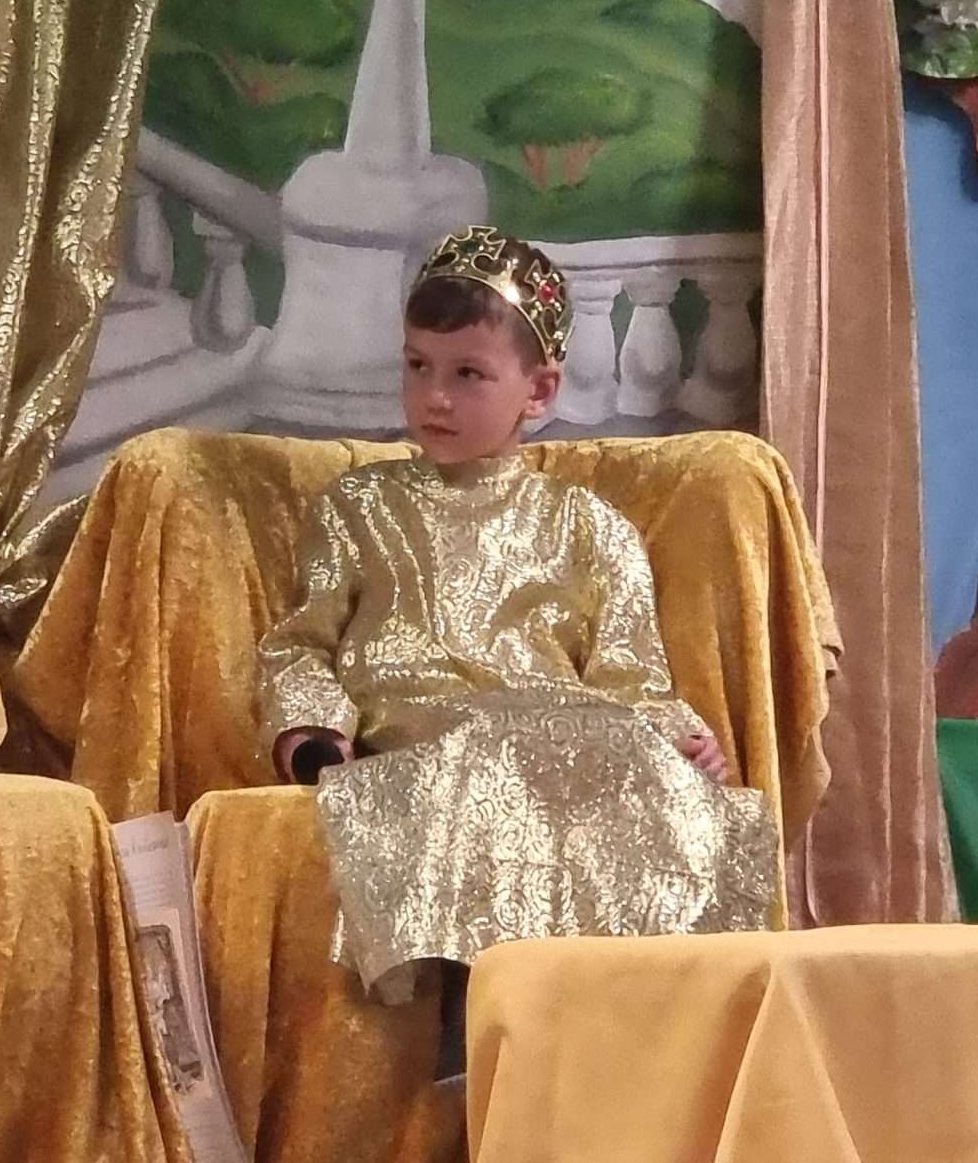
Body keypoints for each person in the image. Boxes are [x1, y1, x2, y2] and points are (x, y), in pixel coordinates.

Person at [257, 226, 778, 1081]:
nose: (434, 396)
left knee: (643, 774)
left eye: (467, 373)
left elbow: (630, 675)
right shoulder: (360, 508)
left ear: (538, 390)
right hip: (423, 727)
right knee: (495, 747)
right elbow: (301, 645)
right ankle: (478, 1027)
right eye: (417, 365)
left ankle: (663, 1056)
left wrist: (676, 738)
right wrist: (312, 732)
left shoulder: (589, 527)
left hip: (559, 725)